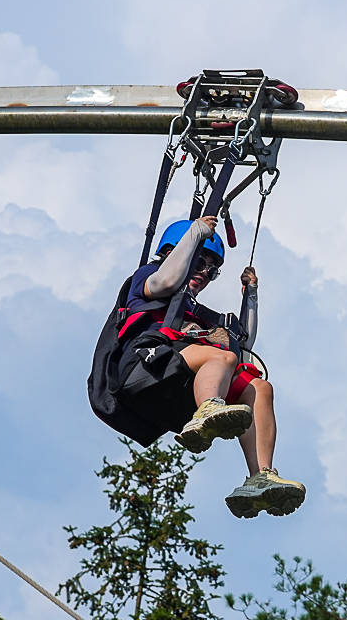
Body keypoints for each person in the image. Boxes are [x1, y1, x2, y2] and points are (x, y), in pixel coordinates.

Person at [118, 214, 306, 518]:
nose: (205, 273)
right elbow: (164, 282)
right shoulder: (148, 276)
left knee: (259, 387)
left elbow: (242, 344)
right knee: (223, 358)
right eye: (199, 262)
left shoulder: (192, 308)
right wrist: (195, 233)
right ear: (175, 251)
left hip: (176, 375)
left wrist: (251, 295)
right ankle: (207, 409)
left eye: (212, 270)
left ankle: (260, 475)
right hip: (145, 361)